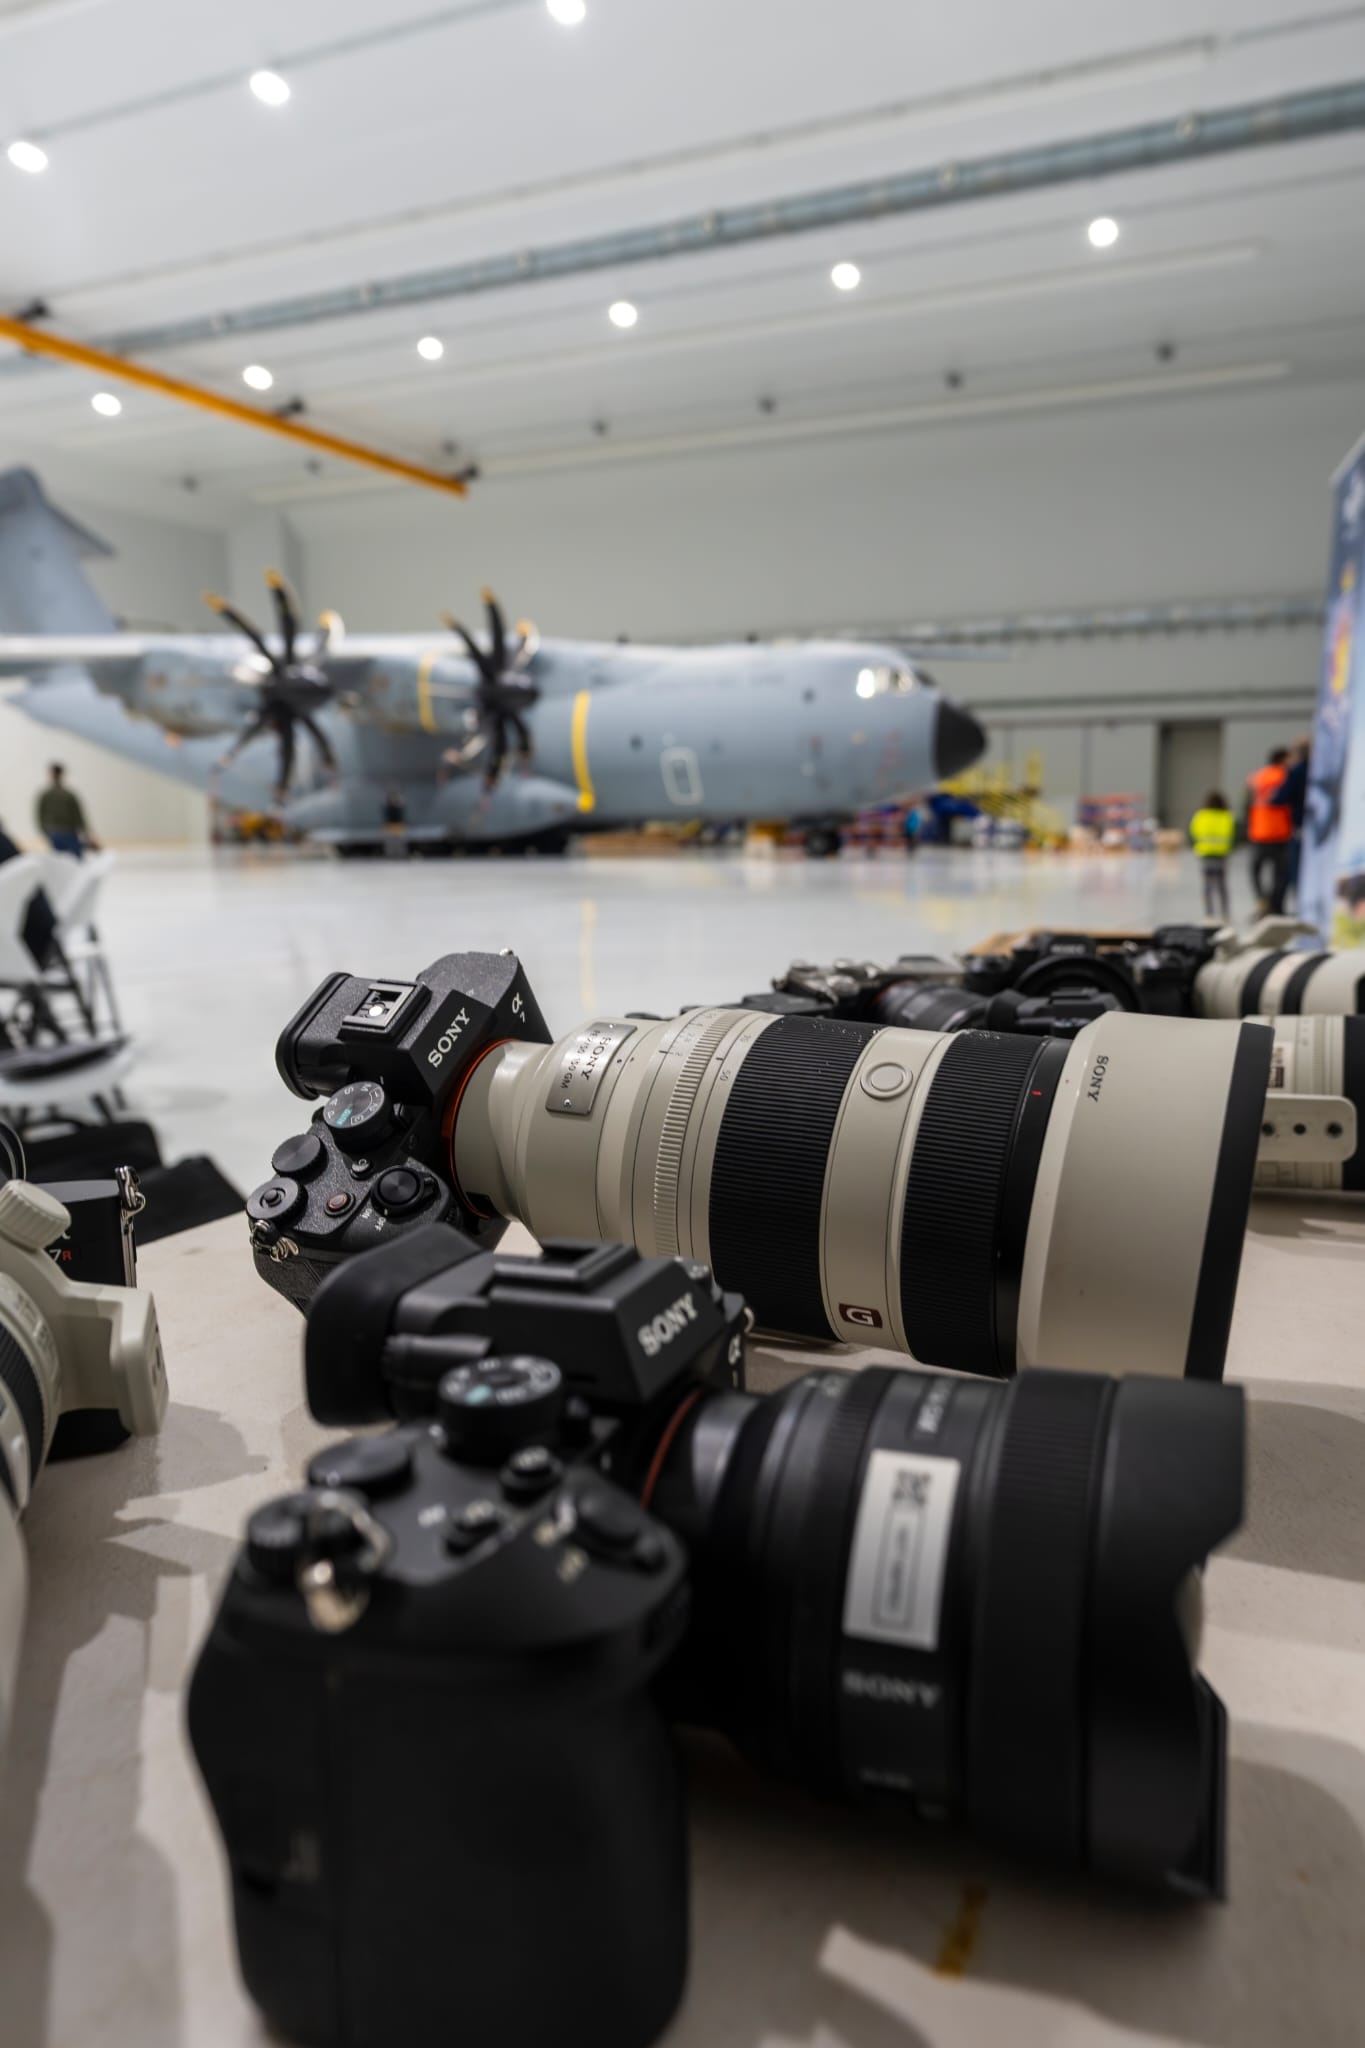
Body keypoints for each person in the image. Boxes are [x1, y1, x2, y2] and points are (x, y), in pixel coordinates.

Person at [1244, 748, 1293, 913]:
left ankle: (1262, 900)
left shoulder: (1258, 777)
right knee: (1280, 874)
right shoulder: (1285, 776)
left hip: (1259, 832)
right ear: (1282, 760)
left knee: (1255, 870)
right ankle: (1274, 905)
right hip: (1280, 832)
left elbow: (1248, 803)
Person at [1188, 789, 1236, 921]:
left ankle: (1209, 913)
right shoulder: (1227, 816)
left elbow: (1192, 833)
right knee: (1222, 885)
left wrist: (1196, 846)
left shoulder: (1200, 815)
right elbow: (1234, 835)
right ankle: (1225, 913)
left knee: (1207, 886)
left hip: (1205, 854)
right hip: (1222, 855)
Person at [1276, 737, 1310, 915]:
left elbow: (1280, 798)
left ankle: (1302, 910)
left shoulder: (1295, 772)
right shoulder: (1322, 770)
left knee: (1295, 873)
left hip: (1299, 831)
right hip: (1322, 832)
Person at [35, 763, 98, 858]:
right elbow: (79, 817)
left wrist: (46, 831)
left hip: (61, 833)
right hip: (62, 833)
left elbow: (78, 816)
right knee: (74, 860)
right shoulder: (65, 795)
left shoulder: (52, 795)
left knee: (62, 861)